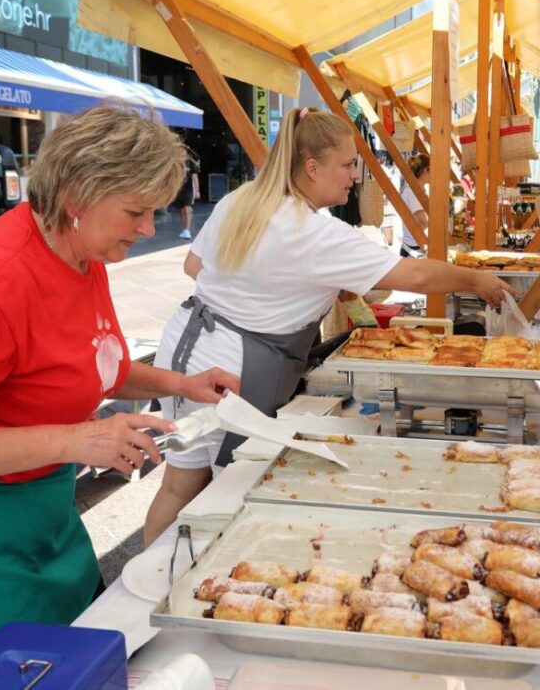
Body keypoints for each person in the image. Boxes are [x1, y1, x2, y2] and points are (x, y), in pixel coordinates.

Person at [0, 103, 240, 675]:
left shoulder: (83, 253)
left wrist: (180, 382)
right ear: (76, 199)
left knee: (87, 659)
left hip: (39, 508)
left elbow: (87, 360)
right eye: (136, 211)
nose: (149, 229)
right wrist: (71, 440)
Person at [142, 107, 515, 544]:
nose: (355, 175)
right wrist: (474, 278)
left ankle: (143, 592)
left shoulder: (241, 200)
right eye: (347, 164)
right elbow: (415, 276)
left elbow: (194, 267)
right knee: (234, 489)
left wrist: (288, 287)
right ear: (312, 168)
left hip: (186, 347)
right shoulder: (314, 231)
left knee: (179, 483)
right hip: (234, 370)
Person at [399, 154, 430, 257]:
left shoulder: (417, 190)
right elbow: (422, 222)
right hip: (414, 250)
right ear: (425, 170)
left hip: (415, 247)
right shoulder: (413, 191)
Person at [172, 154, 201, 239]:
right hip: (178, 189)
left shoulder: (190, 162)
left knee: (187, 209)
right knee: (181, 210)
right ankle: (184, 229)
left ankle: (187, 230)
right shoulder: (175, 162)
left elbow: (195, 177)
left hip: (188, 190)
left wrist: (197, 191)